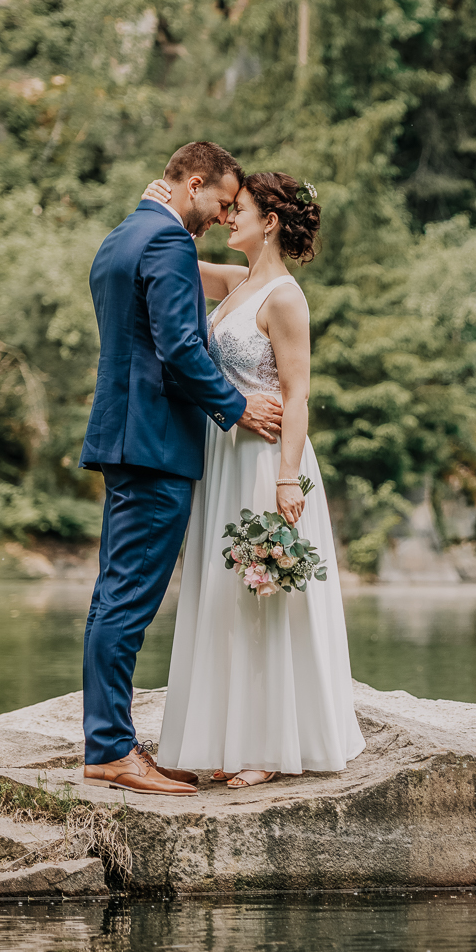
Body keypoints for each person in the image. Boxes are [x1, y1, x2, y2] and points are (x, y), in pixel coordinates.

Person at [144, 169, 365, 786]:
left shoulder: (287, 298)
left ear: (269, 221)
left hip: (268, 460)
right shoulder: (239, 283)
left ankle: (267, 745)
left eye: (237, 208)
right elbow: (176, 254)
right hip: (224, 456)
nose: (226, 217)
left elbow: (297, 397)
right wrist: (161, 200)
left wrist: (288, 480)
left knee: (264, 594)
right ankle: (223, 735)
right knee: (223, 592)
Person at [77, 141, 284, 797]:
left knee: (116, 592)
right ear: (193, 184)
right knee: (129, 597)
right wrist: (237, 405)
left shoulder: (121, 235)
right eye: (221, 202)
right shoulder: (166, 241)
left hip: (122, 436)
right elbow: (179, 347)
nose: (223, 215)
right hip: (156, 443)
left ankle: (108, 742)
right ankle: (111, 749)